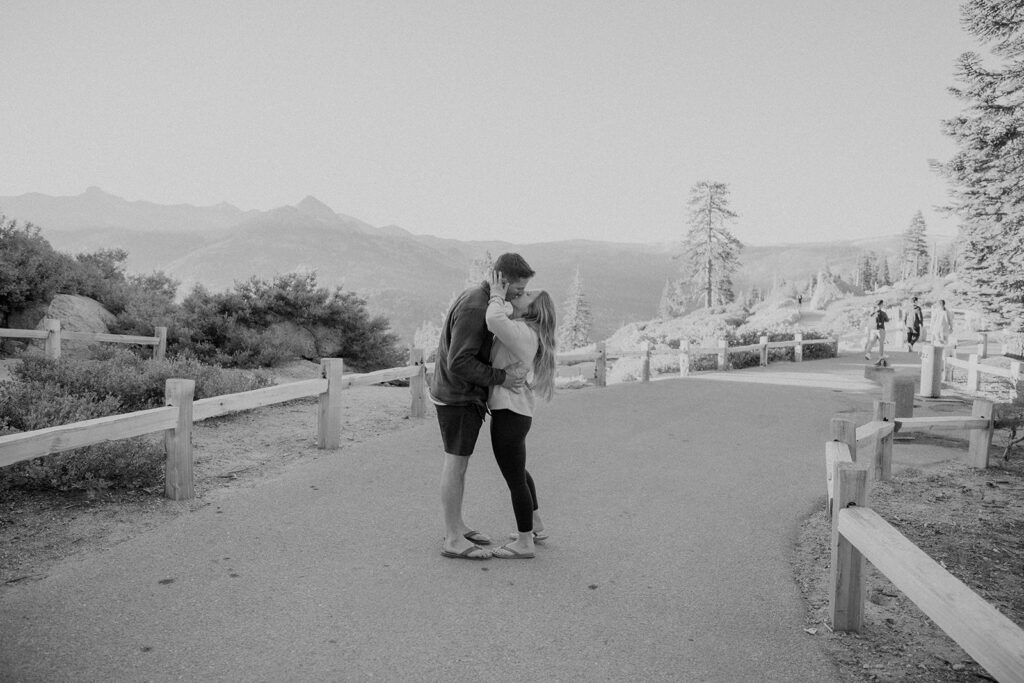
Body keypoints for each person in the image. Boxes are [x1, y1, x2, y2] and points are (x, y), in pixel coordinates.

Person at [432, 253, 535, 560]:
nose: (518, 298)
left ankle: (458, 525)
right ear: (501, 280)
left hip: (462, 393)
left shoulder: (484, 299)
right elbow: (459, 361)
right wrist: (501, 377)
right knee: (456, 463)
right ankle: (452, 538)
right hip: (457, 395)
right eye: (516, 291)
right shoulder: (477, 306)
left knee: (460, 465)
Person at [484, 269, 557, 560]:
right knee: (520, 471)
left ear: (533, 310)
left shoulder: (525, 333)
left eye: (527, 295)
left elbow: (492, 319)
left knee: (514, 477)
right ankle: (535, 525)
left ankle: (524, 542)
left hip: (510, 412)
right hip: (516, 412)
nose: (521, 294)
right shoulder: (527, 331)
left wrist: (497, 296)